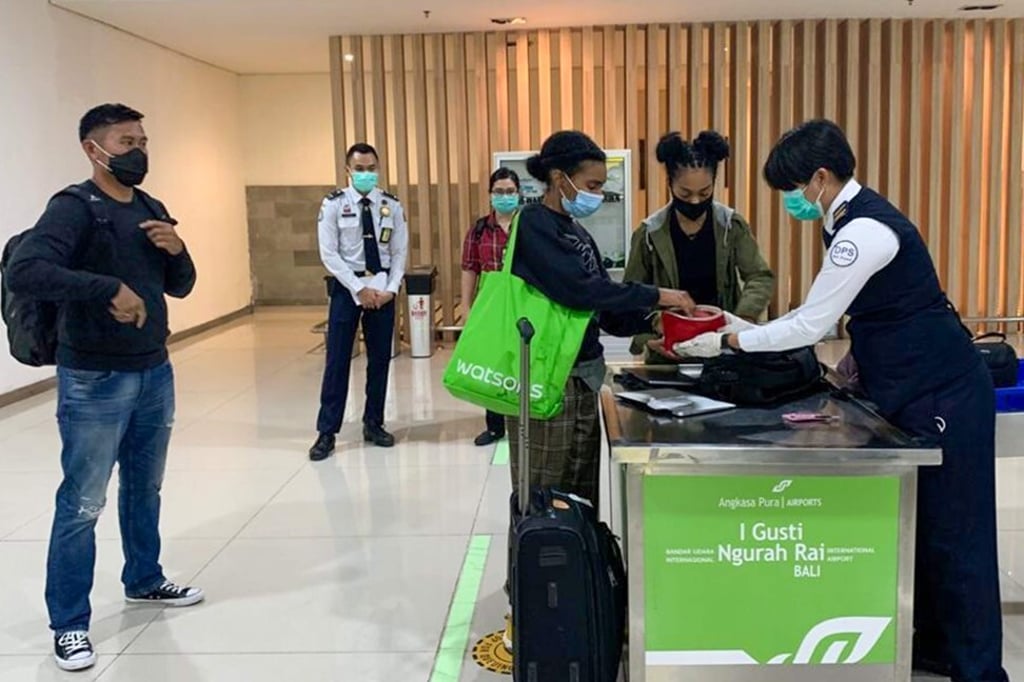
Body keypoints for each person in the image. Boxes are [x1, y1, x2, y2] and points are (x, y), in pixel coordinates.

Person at [674, 119, 1008, 682]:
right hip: (906, 386)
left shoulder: (862, 232)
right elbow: (867, 310)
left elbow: (810, 323)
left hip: (943, 389)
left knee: (959, 537)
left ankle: (979, 670)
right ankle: (935, 646)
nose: (790, 202)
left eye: (791, 189)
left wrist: (731, 338)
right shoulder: (842, 221)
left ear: (821, 178)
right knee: (923, 528)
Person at [5, 103, 203, 672]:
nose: (137, 150)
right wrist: (105, 287)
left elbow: (183, 287)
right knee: (83, 502)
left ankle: (144, 578)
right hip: (94, 377)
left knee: (145, 489)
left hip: (154, 371)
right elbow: (26, 271)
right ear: (94, 149)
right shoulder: (73, 208)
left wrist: (177, 249)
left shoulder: (148, 206)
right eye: (125, 140)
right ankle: (69, 623)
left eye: (142, 139)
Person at [501, 130, 695, 651]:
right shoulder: (535, 224)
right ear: (558, 177)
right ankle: (529, 594)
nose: (595, 193)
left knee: (578, 492)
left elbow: (604, 306)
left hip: (584, 375)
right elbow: (580, 290)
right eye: (590, 183)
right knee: (542, 490)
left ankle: (572, 584)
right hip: (547, 377)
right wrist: (658, 291)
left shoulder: (573, 231)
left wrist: (661, 321)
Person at [624, 130, 773, 362]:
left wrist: (743, 320)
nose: (695, 201)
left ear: (714, 183)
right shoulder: (649, 234)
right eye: (685, 193)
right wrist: (649, 336)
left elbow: (760, 276)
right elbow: (631, 295)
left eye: (705, 192)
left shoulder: (731, 225)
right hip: (668, 347)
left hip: (722, 345)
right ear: (670, 184)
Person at [309, 143, 409, 461]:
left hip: (381, 289)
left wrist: (391, 289)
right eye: (360, 169)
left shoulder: (390, 205)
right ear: (348, 171)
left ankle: (374, 423)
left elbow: (399, 251)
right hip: (346, 289)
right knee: (338, 361)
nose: (366, 174)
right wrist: (357, 289)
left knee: (380, 360)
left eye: (371, 168)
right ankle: (327, 432)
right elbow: (329, 254)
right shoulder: (334, 205)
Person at [461, 167, 521, 446]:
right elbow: (469, 268)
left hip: (523, 302)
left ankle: (523, 419)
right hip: (490, 305)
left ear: (519, 194)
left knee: (522, 360)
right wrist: (466, 305)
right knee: (493, 363)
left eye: (510, 191)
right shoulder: (480, 229)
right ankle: (495, 425)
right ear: (490, 195)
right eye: (499, 192)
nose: (505, 196)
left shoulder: (529, 224)